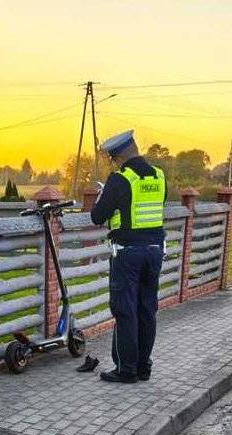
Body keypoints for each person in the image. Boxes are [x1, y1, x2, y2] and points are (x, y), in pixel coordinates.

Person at [91, 130, 167, 383]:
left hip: (127, 254)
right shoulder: (159, 176)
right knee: (147, 309)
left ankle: (127, 370)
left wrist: (104, 196)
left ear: (118, 157)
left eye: (113, 160)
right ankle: (144, 367)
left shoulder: (120, 179)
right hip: (154, 251)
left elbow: (97, 216)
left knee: (125, 311)